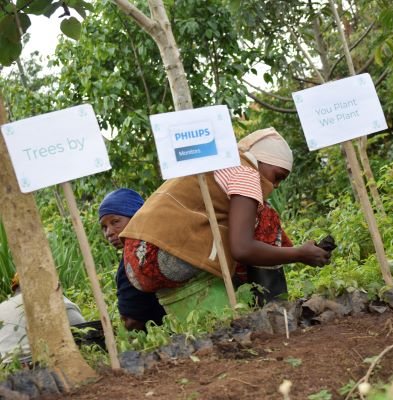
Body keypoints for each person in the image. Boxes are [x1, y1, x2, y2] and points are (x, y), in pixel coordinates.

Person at [119, 127, 331, 319]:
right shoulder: (245, 173)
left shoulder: (222, 163)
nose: (275, 185)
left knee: (243, 221)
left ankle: (246, 304)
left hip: (137, 258)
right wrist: (299, 254)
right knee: (264, 217)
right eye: (278, 176)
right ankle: (272, 309)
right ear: (261, 161)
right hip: (158, 257)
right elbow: (242, 249)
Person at [98, 188, 166, 331]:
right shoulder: (158, 242)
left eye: (115, 221)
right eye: (104, 227)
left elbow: (132, 321)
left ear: (136, 216)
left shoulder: (135, 258)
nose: (109, 233)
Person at [0, 274, 85, 363]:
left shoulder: (2, 307)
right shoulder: (51, 299)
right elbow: (82, 329)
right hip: (46, 366)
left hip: (10, 369)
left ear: (15, 289)